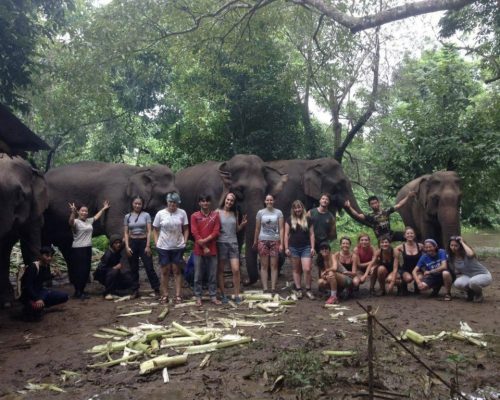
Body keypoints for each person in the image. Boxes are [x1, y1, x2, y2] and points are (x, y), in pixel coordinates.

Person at [152, 192, 189, 305]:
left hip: (178, 246)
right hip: (163, 246)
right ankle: (165, 295)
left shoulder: (182, 213)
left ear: (178, 203)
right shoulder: (160, 214)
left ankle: (178, 295)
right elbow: (155, 229)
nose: (172, 204)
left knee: (177, 270)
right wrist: (157, 243)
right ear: (167, 202)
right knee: (165, 271)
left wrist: (185, 241)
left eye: (175, 202)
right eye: (170, 202)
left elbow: (186, 228)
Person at [68, 200, 110, 299]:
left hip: (87, 248)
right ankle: (78, 291)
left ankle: (81, 291)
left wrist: (103, 208)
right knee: (79, 271)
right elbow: (70, 222)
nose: (84, 213)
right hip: (78, 249)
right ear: (78, 212)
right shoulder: (76, 222)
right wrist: (73, 213)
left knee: (86, 270)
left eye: (86, 211)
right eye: (82, 211)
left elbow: (96, 217)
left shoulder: (88, 221)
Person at [123, 196, 160, 298]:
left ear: (142, 205)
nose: (137, 205)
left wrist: (148, 245)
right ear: (132, 204)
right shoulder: (128, 216)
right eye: (135, 203)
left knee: (149, 266)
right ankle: (135, 290)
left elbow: (149, 231)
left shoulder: (146, 215)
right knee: (133, 267)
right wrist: (127, 246)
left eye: (139, 204)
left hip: (144, 242)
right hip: (132, 242)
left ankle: (156, 289)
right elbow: (126, 233)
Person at [20, 246, 69, 321]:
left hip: (41, 291)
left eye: (51, 256)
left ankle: (41, 306)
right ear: (40, 255)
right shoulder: (33, 267)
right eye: (47, 255)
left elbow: (42, 278)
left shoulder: (45, 265)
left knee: (64, 296)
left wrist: (54, 275)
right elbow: (28, 286)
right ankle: (29, 308)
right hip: (29, 294)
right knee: (36, 315)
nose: (49, 258)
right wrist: (37, 298)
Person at [344, 192, 415, 241]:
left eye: (375, 203)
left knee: (408, 236)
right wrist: (349, 207)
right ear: (370, 205)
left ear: (378, 203)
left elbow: (399, 205)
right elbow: (357, 215)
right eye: (372, 204)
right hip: (381, 239)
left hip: (390, 234)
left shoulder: (386, 211)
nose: (374, 205)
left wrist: (408, 196)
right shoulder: (370, 216)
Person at [216, 192, 247, 304]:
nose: (229, 202)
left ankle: (237, 294)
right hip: (221, 243)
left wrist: (242, 225)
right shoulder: (217, 212)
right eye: (228, 199)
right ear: (225, 200)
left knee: (236, 269)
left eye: (231, 200)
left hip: (233, 243)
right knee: (221, 270)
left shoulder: (235, 213)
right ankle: (223, 295)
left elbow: (236, 229)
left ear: (234, 202)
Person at [191, 194, 221, 306]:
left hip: (212, 249)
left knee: (212, 274)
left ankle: (213, 296)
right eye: (202, 201)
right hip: (199, 250)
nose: (205, 203)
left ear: (210, 203)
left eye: (207, 201)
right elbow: (194, 232)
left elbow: (216, 231)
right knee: (198, 274)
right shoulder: (194, 216)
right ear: (199, 203)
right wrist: (203, 246)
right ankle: (198, 296)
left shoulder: (215, 215)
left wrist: (205, 241)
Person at [284, 200, 316, 300]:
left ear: (302, 208)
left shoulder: (308, 219)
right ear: (293, 209)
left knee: (307, 269)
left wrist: (312, 247)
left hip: (306, 247)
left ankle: (308, 289)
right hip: (293, 247)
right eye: (295, 208)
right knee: (296, 269)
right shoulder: (289, 219)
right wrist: (286, 248)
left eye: (299, 207)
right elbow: (286, 234)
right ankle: (298, 289)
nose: (297, 209)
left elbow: (312, 234)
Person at [253, 194, 284, 293]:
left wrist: (282, 243)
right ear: (265, 201)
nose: (269, 202)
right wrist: (255, 241)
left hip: (275, 240)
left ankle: (273, 288)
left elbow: (281, 228)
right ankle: (265, 288)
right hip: (263, 240)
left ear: (273, 201)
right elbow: (257, 228)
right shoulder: (260, 213)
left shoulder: (278, 213)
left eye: (271, 200)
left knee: (274, 265)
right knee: (264, 265)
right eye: (267, 200)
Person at [448, 236, 492, 303]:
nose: (453, 247)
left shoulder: (467, 254)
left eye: (456, 245)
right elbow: (456, 271)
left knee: (473, 282)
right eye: (452, 245)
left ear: (460, 246)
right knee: (458, 283)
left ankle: (478, 294)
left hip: (483, 275)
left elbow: (471, 254)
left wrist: (462, 242)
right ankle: (470, 292)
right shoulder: (452, 257)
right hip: (469, 276)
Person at [93, 235, 133, 300]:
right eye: (116, 243)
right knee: (114, 272)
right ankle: (107, 293)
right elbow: (101, 269)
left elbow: (122, 244)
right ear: (112, 244)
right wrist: (113, 268)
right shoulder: (108, 254)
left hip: (112, 273)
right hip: (104, 275)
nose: (118, 245)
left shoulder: (117, 250)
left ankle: (115, 289)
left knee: (129, 279)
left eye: (119, 243)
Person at [307, 194, 336, 271]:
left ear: (328, 202)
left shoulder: (330, 216)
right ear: (320, 200)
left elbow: (332, 232)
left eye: (326, 199)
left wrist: (328, 241)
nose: (324, 200)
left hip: (323, 241)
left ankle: (323, 280)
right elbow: (304, 226)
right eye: (323, 199)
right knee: (307, 263)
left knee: (323, 262)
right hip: (311, 240)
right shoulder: (311, 212)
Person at [394, 227, 423, 295]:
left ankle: (417, 289)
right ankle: (403, 288)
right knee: (408, 278)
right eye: (408, 233)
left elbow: (427, 256)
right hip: (406, 269)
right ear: (404, 236)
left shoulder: (421, 246)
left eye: (411, 233)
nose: (410, 235)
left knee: (420, 278)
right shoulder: (400, 247)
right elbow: (394, 256)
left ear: (414, 235)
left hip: (417, 269)